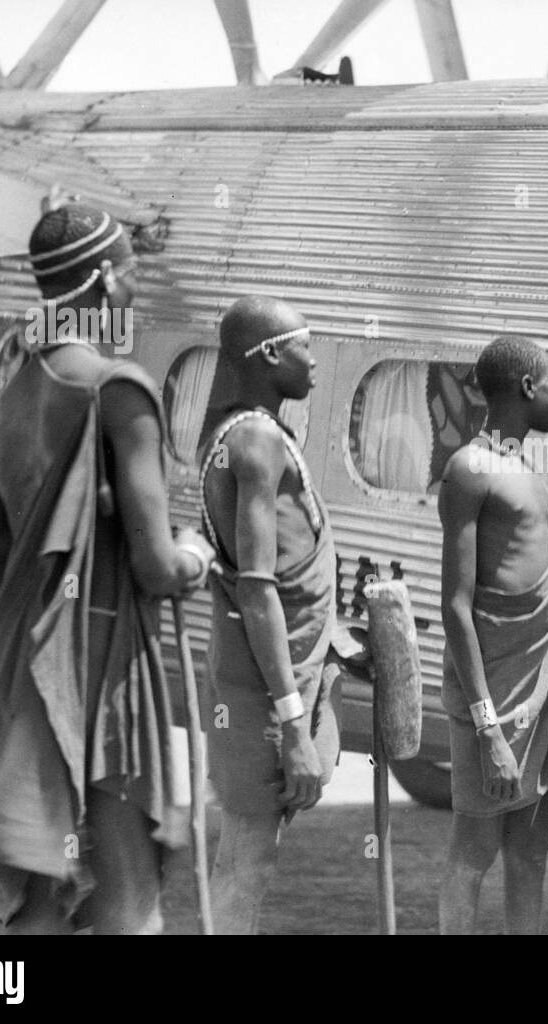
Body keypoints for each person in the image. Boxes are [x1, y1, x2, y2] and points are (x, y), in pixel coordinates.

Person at [0, 200, 215, 934]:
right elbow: (158, 567)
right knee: (128, 908)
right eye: (134, 275)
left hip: (14, 669)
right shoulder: (120, 390)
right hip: (94, 672)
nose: (136, 292)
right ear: (105, 280)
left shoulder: (3, 403)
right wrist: (197, 551)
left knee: (50, 896)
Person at [438, 335, 548, 934]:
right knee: (473, 853)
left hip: (538, 693)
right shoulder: (471, 469)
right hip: (494, 695)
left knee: (530, 848)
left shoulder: (527, 469)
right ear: (526, 388)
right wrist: (489, 728)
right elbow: (459, 608)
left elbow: (533, 584)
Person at [197, 296, 340, 935]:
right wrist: (292, 726)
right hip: (264, 690)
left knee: (249, 853)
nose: (314, 358)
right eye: (304, 344)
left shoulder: (248, 430)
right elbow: (257, 589)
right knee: (247, 860)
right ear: (269, 354)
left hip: (266, 676)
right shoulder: (254, 439)